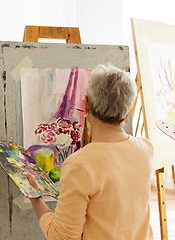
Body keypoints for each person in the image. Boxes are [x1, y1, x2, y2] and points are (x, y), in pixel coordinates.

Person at [27, 64, 154, 240]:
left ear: (85, 104)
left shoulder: (79, 164)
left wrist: (35, 198)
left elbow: (62, 238)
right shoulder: (146, 149)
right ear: (127, 112)